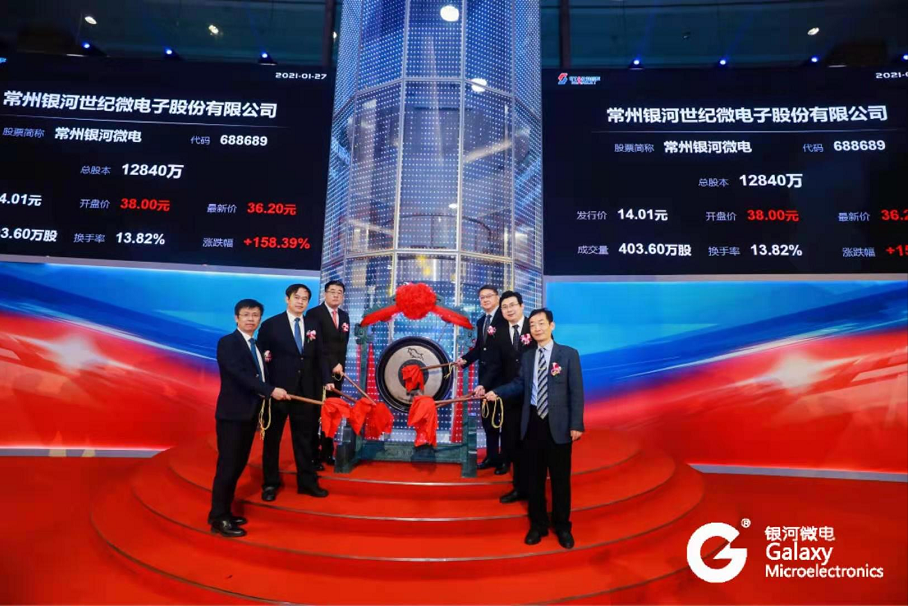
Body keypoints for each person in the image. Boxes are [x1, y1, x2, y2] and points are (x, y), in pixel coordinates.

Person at [485, 308, 584, 549]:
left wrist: (576, 423)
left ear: (552, 326)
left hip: (559, 425)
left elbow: (576, 391)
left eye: (541, 323)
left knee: (560, 480)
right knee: (534, 479)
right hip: (532, 425)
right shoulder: (528, 357)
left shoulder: (568, 354)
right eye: (533, 325)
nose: (537, 328)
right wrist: (496, 392)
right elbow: (519, 384)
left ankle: (563, 526)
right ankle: (538, 525)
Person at [209, 299, 290, 538]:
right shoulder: (228, 343)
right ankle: (219, 519)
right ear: (236, 318)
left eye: (255, 315)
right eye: (246, 315)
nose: (251, 319)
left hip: (250, 414)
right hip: (232, 415)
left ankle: (223, 512)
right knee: (228, 467)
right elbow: (240, 375)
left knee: (237, 465)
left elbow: (260, 374)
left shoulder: (256, 345)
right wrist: (270, 390)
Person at [256, 284, 331, 502]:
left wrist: (326, 379)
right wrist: (267, 388)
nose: (300, 301)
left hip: (306, 391)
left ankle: (307, 483)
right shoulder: (271, 325)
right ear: (287, 299)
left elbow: (321, 354)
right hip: (278, 391)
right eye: (296, 297)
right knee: (272, 440)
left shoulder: (313, 324)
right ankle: (270, 484)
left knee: (305, 439)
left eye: (305, 298)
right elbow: (261, 358)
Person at [478, 290, 535, 501]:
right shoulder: (499, 332)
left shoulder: (534, 327)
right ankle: (519, 488)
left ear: (522, 306)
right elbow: (494, 365)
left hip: (534, 397)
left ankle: (534, 488)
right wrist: (483, 385)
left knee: (532, 443)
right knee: (513, 442)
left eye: (512, 305)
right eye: (505, 307)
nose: (509, 310)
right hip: (510, 396)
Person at [456, 284, 508, 472]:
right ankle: (492, 457)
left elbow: (499, 356)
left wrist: (484, 384)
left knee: (503, 422)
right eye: (482, 297)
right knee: (488, 421)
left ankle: (505, 460)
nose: (485, 300)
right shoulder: (481, 321)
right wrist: (465, 360)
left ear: (497, 298)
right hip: (485, 379)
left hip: (502, 380)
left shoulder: (504, 319)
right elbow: (480, 348)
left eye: (489, 296)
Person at [305, 280, 350, 468]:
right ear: (325, 293)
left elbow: (343, 345)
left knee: (332, 414)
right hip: (318, 373)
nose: (336, 295)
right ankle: (312, 454)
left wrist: (340, 366)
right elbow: (318, 345)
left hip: (337, 374)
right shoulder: (314, 314)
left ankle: (327, 451)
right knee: (317, 414)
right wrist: (332, 364)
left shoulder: (344, 316)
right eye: (332, 291)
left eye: (339, 292)